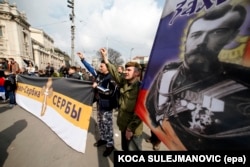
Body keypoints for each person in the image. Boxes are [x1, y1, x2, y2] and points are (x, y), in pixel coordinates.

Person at [146, 4, 250, 150]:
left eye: (216, 33)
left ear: (230, 37)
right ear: (186, 39)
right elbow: (152, 111)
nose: (202, 42)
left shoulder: (241, 83)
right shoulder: (167, 75)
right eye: (196, 34)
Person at [100, 48, 143, 151]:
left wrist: (130, 129)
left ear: (137, 73)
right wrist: (105, 58)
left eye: (129, 70)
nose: (125, 72)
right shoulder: (124, 82)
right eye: (125, 69)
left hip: (133, 129)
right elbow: (114, 73)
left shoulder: (141, 89)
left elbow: (140, 112)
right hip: (123, 125)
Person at [77, 51, 117, 156]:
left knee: (107, 125)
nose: (100, 67)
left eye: (102, 66)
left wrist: (97, 87)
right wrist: (82, 59)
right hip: (100, 104)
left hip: (107, 105)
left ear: (108, 67)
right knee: (100, 123)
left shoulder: (111, 78)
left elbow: (110, 92)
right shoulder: (99, 75)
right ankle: (103, 139)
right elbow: (90, 68)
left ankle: (110, 145)